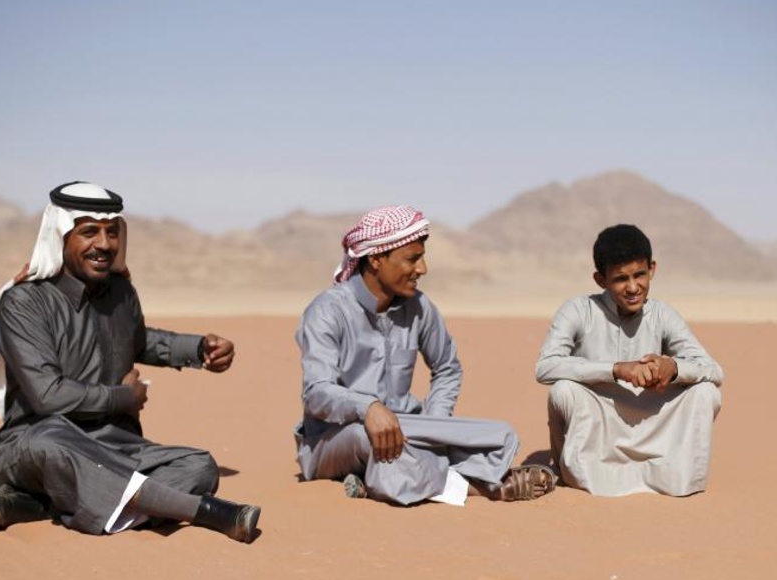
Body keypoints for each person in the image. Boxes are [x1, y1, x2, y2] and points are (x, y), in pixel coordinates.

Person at [0, 181, 260, 541]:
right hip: (35, 443)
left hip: (113, 443)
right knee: (55, 443)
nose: (104, 244)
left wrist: (198, 349)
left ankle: (44, 505)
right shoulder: (24, 303)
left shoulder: (120, 292)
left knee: (199, 465)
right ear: (60, 236)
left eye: (111, 232)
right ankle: (205, 511)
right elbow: (47, 397)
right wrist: (123, 398)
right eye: (89, 232)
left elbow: (139, 340)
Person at [294, 205, 556, 506]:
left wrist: (437, 426)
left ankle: (377, 482)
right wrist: (368, 408)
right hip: (335, 441)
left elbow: (447, 368)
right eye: (412, 259)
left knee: (501, 435)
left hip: (409, 430)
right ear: (377, 258)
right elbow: (317, 392)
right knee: (368, 439)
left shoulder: (419, 308)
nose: (422, 269)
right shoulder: (327, 311)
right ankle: (483, 489)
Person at [535, 224, 723, 496]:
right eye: (621, 279)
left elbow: (714, 369)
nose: (633, 287)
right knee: (562, 391)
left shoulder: (663, 315)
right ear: (601, 280)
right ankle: (582, 473)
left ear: (652, 270)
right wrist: (616, 370)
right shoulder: (578, 310)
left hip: (651, 420)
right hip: (601, 420)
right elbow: (545, 366)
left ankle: (673, 474)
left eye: (640, 275)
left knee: (707, 392)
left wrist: (673, 369)